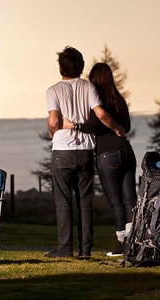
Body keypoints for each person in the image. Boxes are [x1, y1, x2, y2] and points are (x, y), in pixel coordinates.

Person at [45, 47, 125, 258]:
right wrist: (116, 128)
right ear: (80, 66)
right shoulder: (89, 87)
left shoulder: (53, 90)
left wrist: (53, 132)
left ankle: (64, 248)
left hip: (63, 151)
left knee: (63, 200)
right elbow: (100, 114)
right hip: (86, 151)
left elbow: (53, 121)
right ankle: (85, 249)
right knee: (85, 201)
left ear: (61, 66)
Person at [63, 63, 137, 256]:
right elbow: (126, 127)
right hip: (127, 151)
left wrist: (75, 126)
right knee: (130, 199)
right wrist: (117, 128)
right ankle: (135, 242)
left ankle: (122, 245)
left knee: (116, 202)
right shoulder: (119, 99)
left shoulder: (97, 102)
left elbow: (96, 124)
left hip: (107, 155)